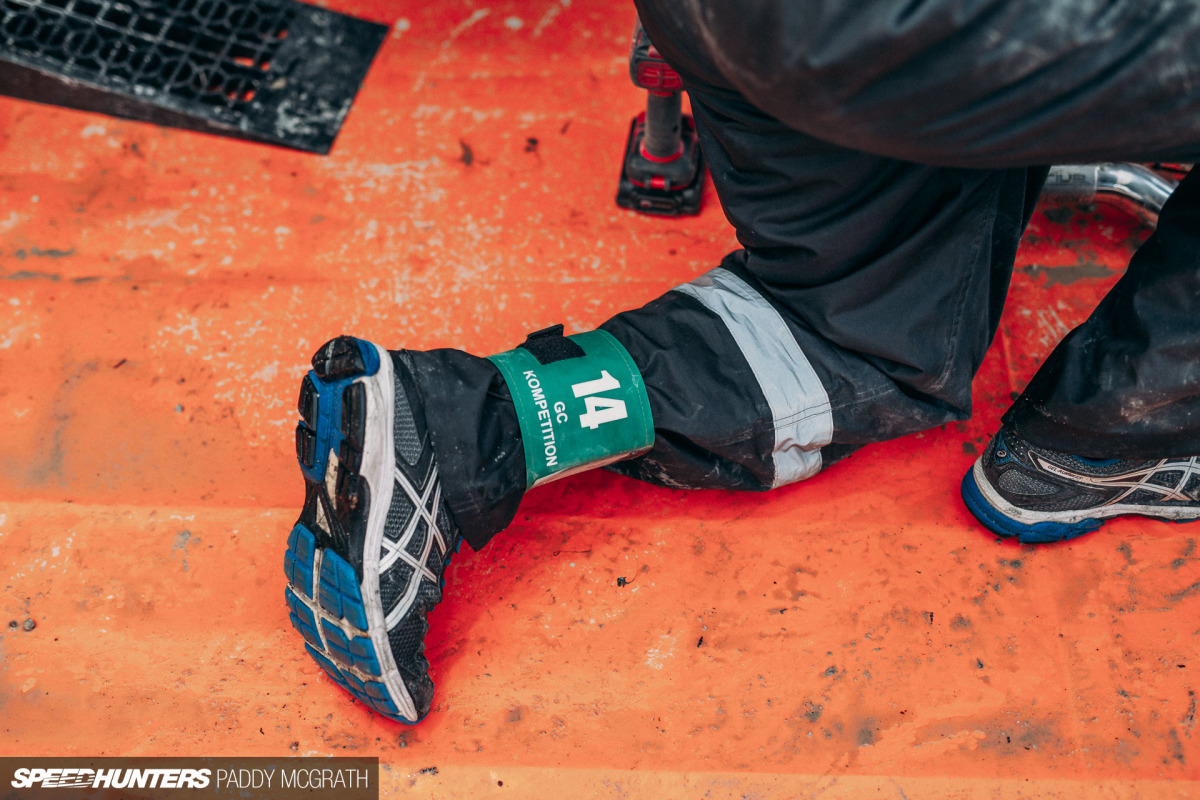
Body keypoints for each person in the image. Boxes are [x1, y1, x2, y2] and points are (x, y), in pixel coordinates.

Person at [282, 0, 1200, 724]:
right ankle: (1109, 438)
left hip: (744, 23)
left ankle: (446, 430)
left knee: (844, 333)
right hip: (935, 32)